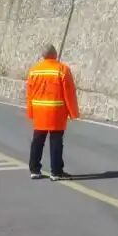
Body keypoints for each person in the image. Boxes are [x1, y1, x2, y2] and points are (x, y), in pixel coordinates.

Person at [25, 44, 79, 181]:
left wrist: (30, 112)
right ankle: (56, 172)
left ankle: (34, 170)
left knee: (37, 141)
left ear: (43, 56)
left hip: (39, 112)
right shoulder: (62, 70)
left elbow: (29, 94)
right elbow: (69, 93)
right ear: (55, 54)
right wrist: (73, 112)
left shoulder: (34, 70)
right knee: (56, 142)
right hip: (56, 112)